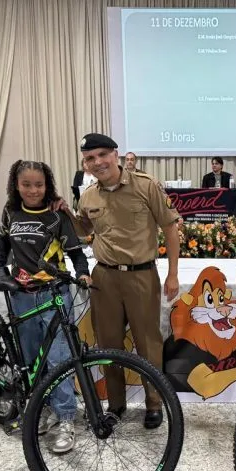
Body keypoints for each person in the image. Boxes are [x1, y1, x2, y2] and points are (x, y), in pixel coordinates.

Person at [74, 133, 180, 428]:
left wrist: (172, 274)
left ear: (115, 154)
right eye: (90, 158)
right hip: (104, 277)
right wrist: (63, 213)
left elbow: (170, 228)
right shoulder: (88, 196)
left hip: (141, 275)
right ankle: (116, 404)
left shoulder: (146, 186)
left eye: (102, 155)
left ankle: (154, 404)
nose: (97, 162)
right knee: (108, 345)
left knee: (148, 343)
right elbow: (83, 229)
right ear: (85, 164)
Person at [0, 160, 91, 452]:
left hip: (54, 293)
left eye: (39, 185)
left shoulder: (56, 214)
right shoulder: (10, 211)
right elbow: (3, 245)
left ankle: (66, 417)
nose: (33, 190)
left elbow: (75, 252)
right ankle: (42, 408)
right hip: (21, 295)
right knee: (31, 358)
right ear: (16, 185)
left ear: (47, 185)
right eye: (26, 185)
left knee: (59, 358)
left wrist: (83, 273)